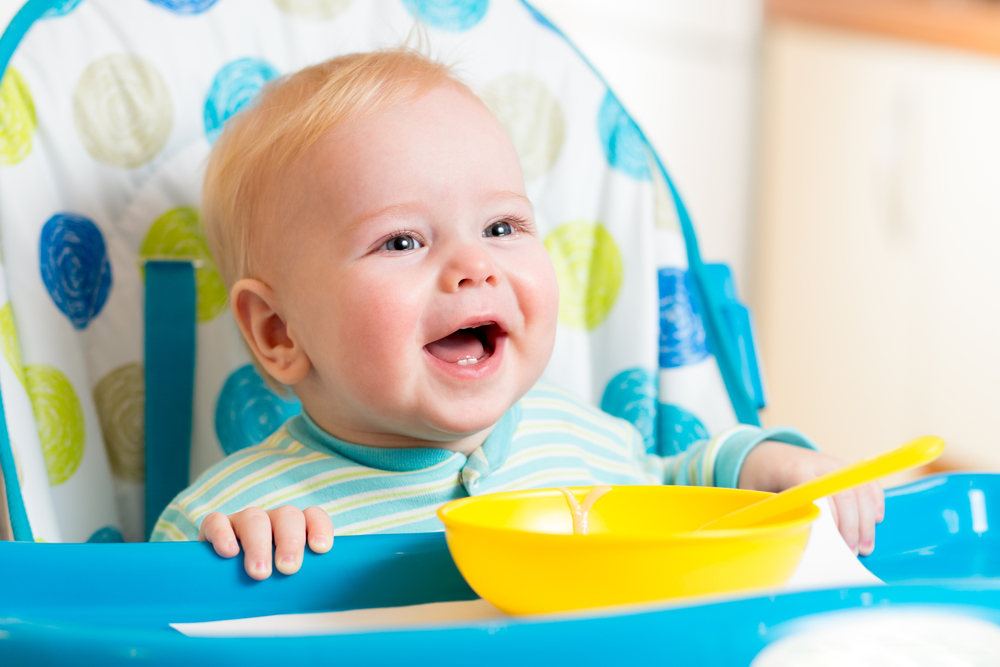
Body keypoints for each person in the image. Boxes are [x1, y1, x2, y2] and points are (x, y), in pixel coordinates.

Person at [151, 49, 883, 578]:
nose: (475, 265)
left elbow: (675, 489)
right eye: (402, 241)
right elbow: (149, 616)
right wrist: (226, 572)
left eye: (501, 227)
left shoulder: (581, 437)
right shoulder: (249, 518)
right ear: (278, 331)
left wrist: (763, 465)